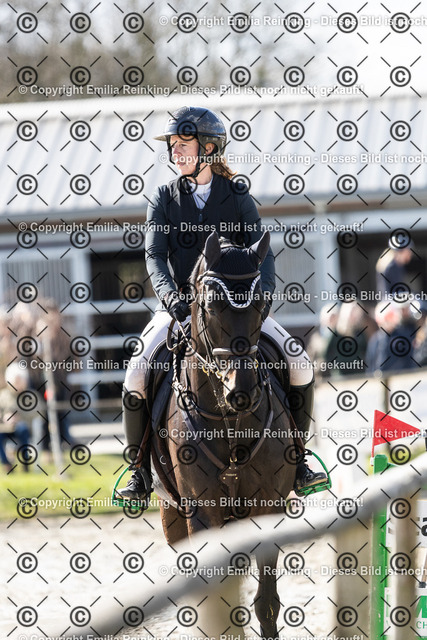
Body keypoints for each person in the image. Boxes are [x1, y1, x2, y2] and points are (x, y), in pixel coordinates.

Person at [117, 106, 327, 504]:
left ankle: (299, 460)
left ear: (209, 148)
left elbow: (263, 253)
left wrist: (262, 300)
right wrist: (173, 301)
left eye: (183, 144)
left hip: (238, 308)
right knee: (137, 373)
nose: (175, 152)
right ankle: (138, 470)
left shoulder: (237, 195)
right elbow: (154, 258)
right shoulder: (163, 198)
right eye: (173, 145)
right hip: (179, 307)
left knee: (299, 363)